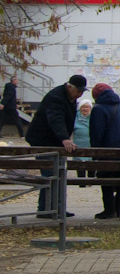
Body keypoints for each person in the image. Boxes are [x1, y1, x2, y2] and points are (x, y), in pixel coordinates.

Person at [24, 74, 86, 217]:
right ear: (70, 87)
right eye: (78, 91)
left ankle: (56, 208)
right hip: (42, 141)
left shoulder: (70, 98)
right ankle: (46, 209)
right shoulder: (56, 97)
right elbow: (56, 119)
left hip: (55, 142)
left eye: (82, 92)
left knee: (57, 174)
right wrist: (65, 138)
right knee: (49, 174)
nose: (80, 94)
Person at [89, 82, 120, 219]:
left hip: (111, 151)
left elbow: (96, 134)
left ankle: (110, 210)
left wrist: (95, 155)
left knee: (105, 176)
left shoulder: (99, 108)